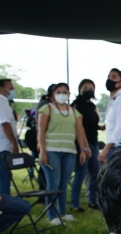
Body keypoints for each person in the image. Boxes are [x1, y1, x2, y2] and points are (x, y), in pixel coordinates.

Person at [38, 83, 89, 225]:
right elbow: (41, 131)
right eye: (59, 92)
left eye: (65, 92)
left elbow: (80, 131)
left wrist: (83, 150)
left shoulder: (73, 111)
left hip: (69, 151)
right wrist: (42, 151)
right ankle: (52, 216)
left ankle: (62, 213)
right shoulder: (46, 109)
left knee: (63, 184)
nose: (62, 94)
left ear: (69, 94)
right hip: (51, 150)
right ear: (53, 93)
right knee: (53, 184)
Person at [70, 79, 103, 211]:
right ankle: (74, 204)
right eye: (85, 87)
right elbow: (79, 128)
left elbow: (91, 124)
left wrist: (100, 127)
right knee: (81, 174)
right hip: (82, 145)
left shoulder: (91, 105)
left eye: (91, 87)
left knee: (95, 173)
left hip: (94, 143)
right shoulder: (77, 105)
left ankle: (92, 201)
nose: (88, 89)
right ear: (79, 89)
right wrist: (85, 147)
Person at [98, 68, 121, 163]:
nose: (109, 79)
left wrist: (106, 149)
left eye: (114, 77)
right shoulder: (114, 100)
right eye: (108, 77)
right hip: (116, 147)